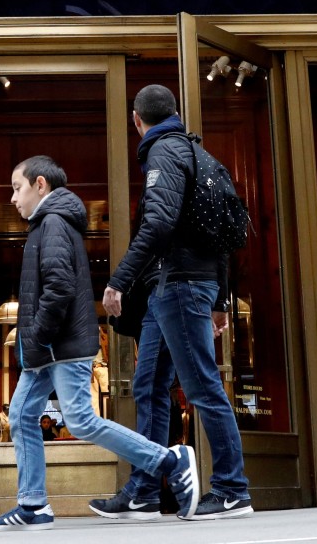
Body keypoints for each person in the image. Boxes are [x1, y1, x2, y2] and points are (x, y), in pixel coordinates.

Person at [0, 155, 200, 532]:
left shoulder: (53, 223)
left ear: (40, 185)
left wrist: (36, 336)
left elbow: (59, 288)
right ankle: (33, 504)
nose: (13, 198)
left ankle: (171, 461)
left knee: (81, 421)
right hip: (49, 349)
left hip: (60, 345)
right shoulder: (48, 222)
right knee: (20, 415)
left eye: (17, 188)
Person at [89, 85, 253, 521]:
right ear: (174, 113)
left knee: (201, 385)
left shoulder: (163, 153)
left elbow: (159, 222)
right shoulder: (201, 155)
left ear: (136, 120)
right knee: (148, 385)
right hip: (179, 288)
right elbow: (222, 237)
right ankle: (144, 492)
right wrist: (220, 298)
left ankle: (233, 490)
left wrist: (119, 280)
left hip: (178, 286)